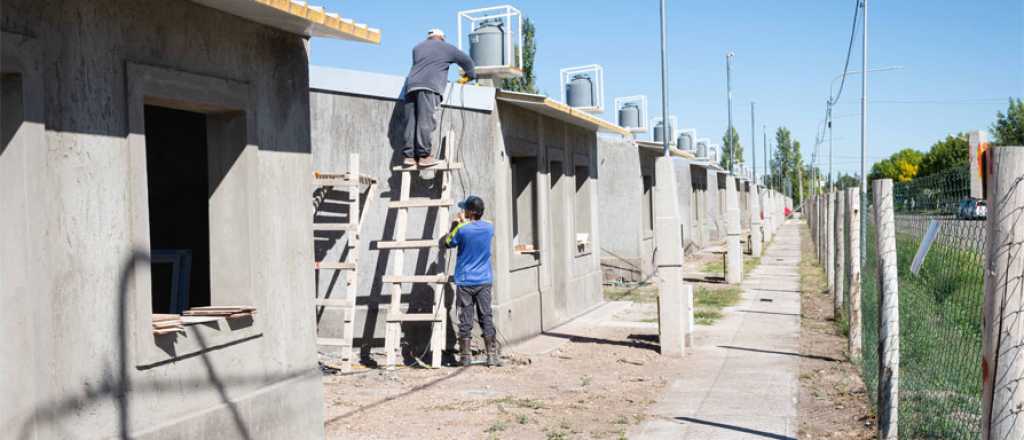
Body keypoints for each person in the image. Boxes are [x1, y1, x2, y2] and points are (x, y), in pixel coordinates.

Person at [402, 28, 477, 167]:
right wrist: (470, 76)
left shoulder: (417, 48)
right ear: (442, 38)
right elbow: (468, 62)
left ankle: (409, 156)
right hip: (429, 86)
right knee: (426, 121)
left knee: (411, 122)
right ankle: (424, 156)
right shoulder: (446, 47)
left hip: (411, 86)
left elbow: (427, 64)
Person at [441, 195, 498, 367]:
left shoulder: (462, 229)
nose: (463, 211)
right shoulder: (489, 228)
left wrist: (457, 224)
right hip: (484, 280)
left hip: (465, 281)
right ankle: (492, 356)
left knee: (465, 317)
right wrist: (467, 221)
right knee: (486, 316)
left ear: (471, 212)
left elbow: (448, 243)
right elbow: (482, 224)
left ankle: (465, 357)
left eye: (466, 209)